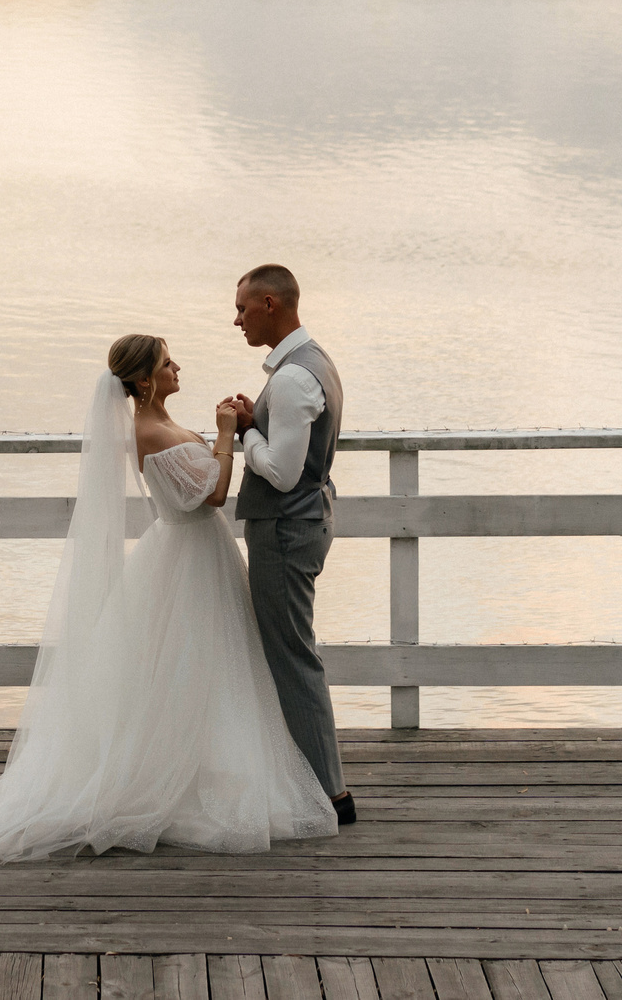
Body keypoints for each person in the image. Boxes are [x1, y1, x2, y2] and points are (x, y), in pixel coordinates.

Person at [0, 333, 338, 861]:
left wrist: (239, 428)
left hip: (194, 550)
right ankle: (179, 776)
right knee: (192, 665)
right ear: (143, 380)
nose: (177, 368)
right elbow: (212, 492)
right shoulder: (151, 431)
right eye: (168, 364)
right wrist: (224, 432)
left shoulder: (160, 423)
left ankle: (205, 765)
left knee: (209, 669)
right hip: (187, 555)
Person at [218, 263, 354, 825]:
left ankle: (329, 795)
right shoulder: (311, 361)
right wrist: (260, 420)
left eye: (243, 308)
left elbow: (280, 471)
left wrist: (244, 431)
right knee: (292, 652)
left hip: (284, 530)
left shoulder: (297, 377)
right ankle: (313, 785)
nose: (237, 320)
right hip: (303, 522)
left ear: (271, 304)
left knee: (292, 658)